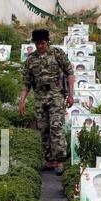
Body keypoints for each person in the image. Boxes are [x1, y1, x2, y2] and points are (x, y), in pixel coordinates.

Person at [20, 29, 75, 175]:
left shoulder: (57, 54)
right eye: (37, 43)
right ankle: (49, 160)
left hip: (56, 94)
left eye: (42, 43)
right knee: (43, 128)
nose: (39, 46)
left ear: (47, 42)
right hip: (39, 96)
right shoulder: (31, 59)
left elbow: (70, 73)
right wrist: (22, 101)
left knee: (56, 126)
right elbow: (26, 82)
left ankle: (60, 161)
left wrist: (71, 94)